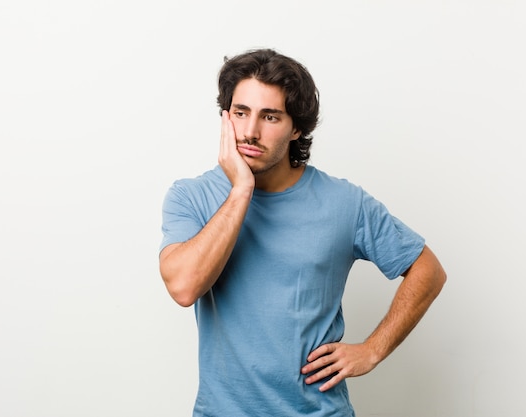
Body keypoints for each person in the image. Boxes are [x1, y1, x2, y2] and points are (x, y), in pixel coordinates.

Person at [159, 48, 446, 416]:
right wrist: (241, 189)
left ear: (297, 128)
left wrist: (372, 349)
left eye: (270, 117)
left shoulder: (344, 202)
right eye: (240, 113)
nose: (249, 131)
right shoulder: (191, 196)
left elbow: (428, 270)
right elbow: (184, 287)